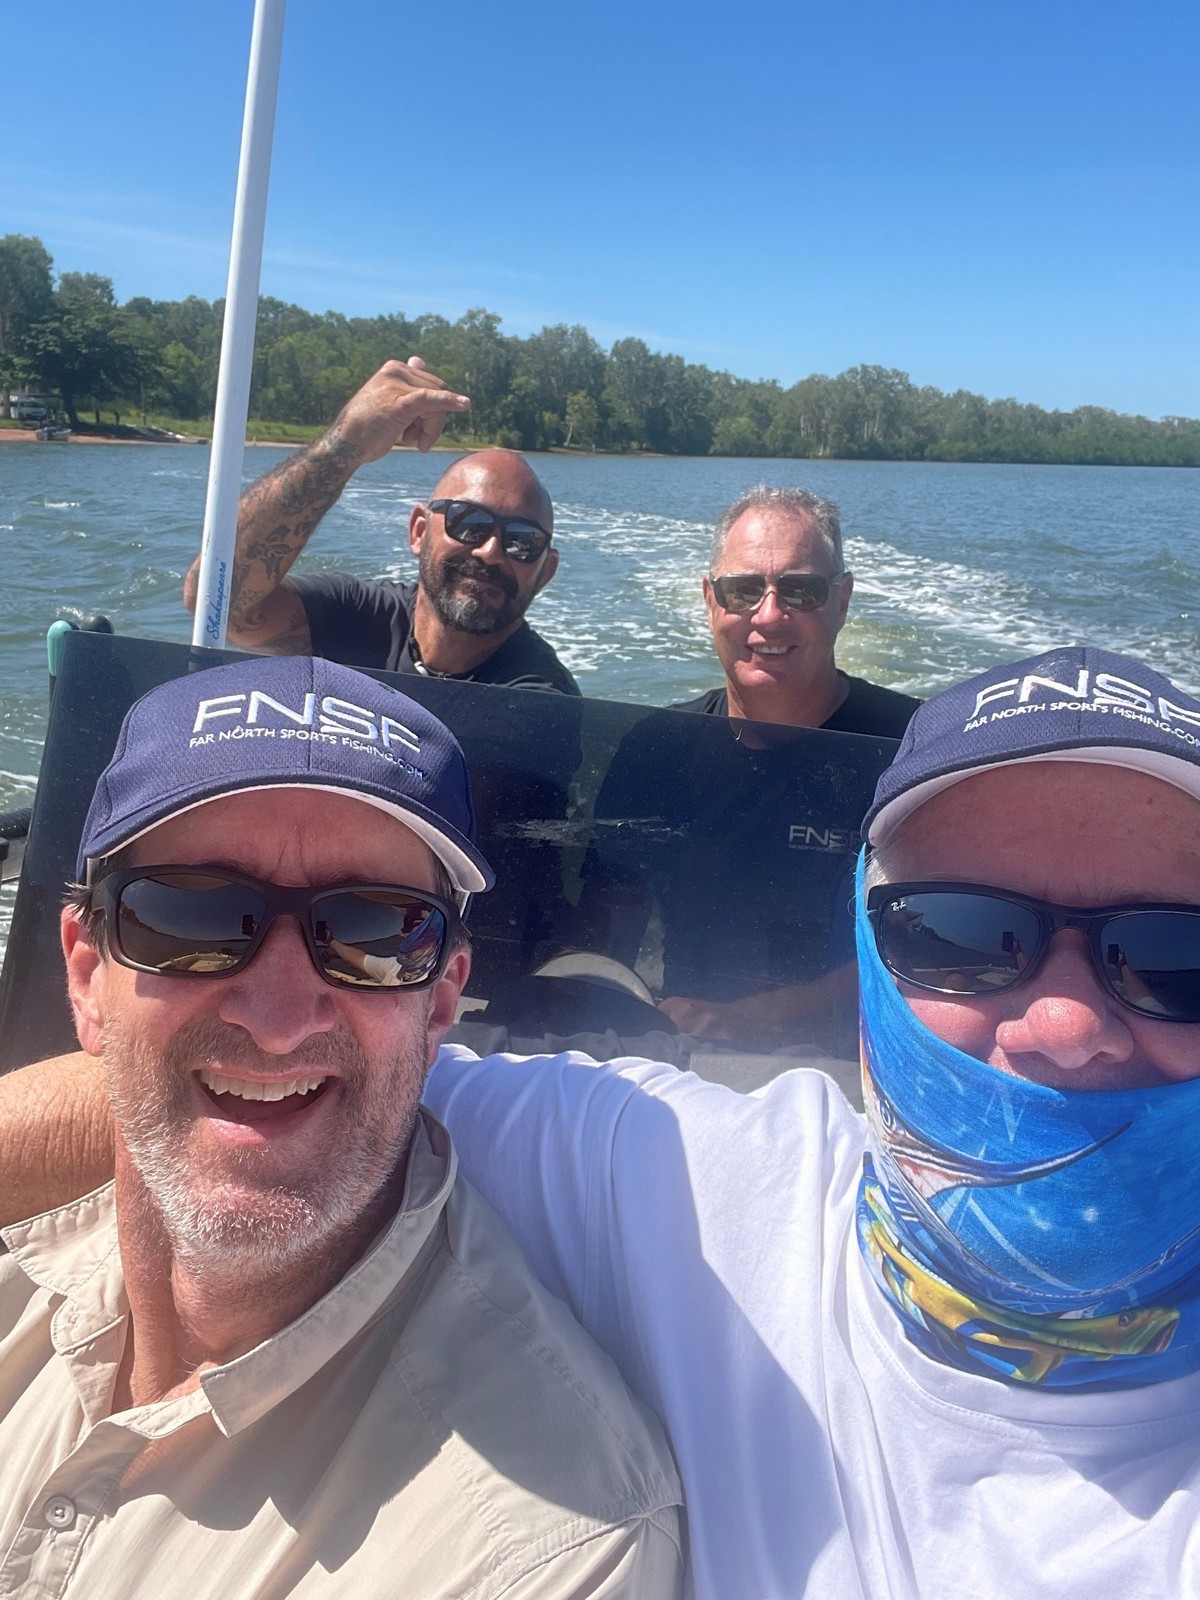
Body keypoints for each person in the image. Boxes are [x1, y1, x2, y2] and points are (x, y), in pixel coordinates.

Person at [10, 646, 1200, 1597]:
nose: (1062, 1024)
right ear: (870, 966)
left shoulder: (556, 1545)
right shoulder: (690, 1185)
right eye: (958, 932)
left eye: (1175, 954)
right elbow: (270, 1092)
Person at [0, 655, 680, 1597]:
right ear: (86, 976)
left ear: (442, 1001)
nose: (279, 1017)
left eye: (375, 931)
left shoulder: (543, 1553)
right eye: (191, 913)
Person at [183, 358, 579, 695]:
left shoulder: (538, 697)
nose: (490, 551)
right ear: (419, 532)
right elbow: (217, 604)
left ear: (545, 571)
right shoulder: (359, 616)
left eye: (522, 542)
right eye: (469, 523)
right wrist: (344, 445)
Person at [675, 484, 920, 735]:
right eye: (743, 590)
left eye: (800, 591)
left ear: (841, 602)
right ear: (710, 601)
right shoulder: (660, 747)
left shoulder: (918, 748)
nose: (769, 617)